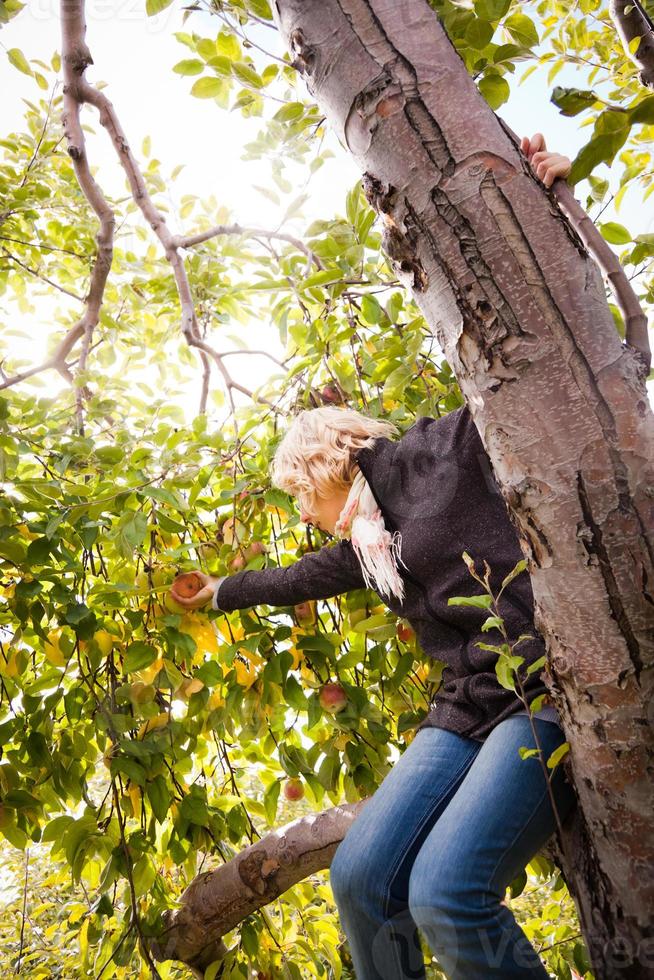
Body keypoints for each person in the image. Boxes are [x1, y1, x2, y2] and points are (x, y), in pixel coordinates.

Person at [170, 137, 577, 979]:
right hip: (466, 705)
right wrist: (217, 593)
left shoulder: (442, 451)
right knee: (359, 879)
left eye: (297, 494)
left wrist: (544, 208)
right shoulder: (368, 543)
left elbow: (534, 359)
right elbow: (290, 579)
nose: (301, 514)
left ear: (323, 463)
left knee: (446, 890)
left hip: (539, 687)